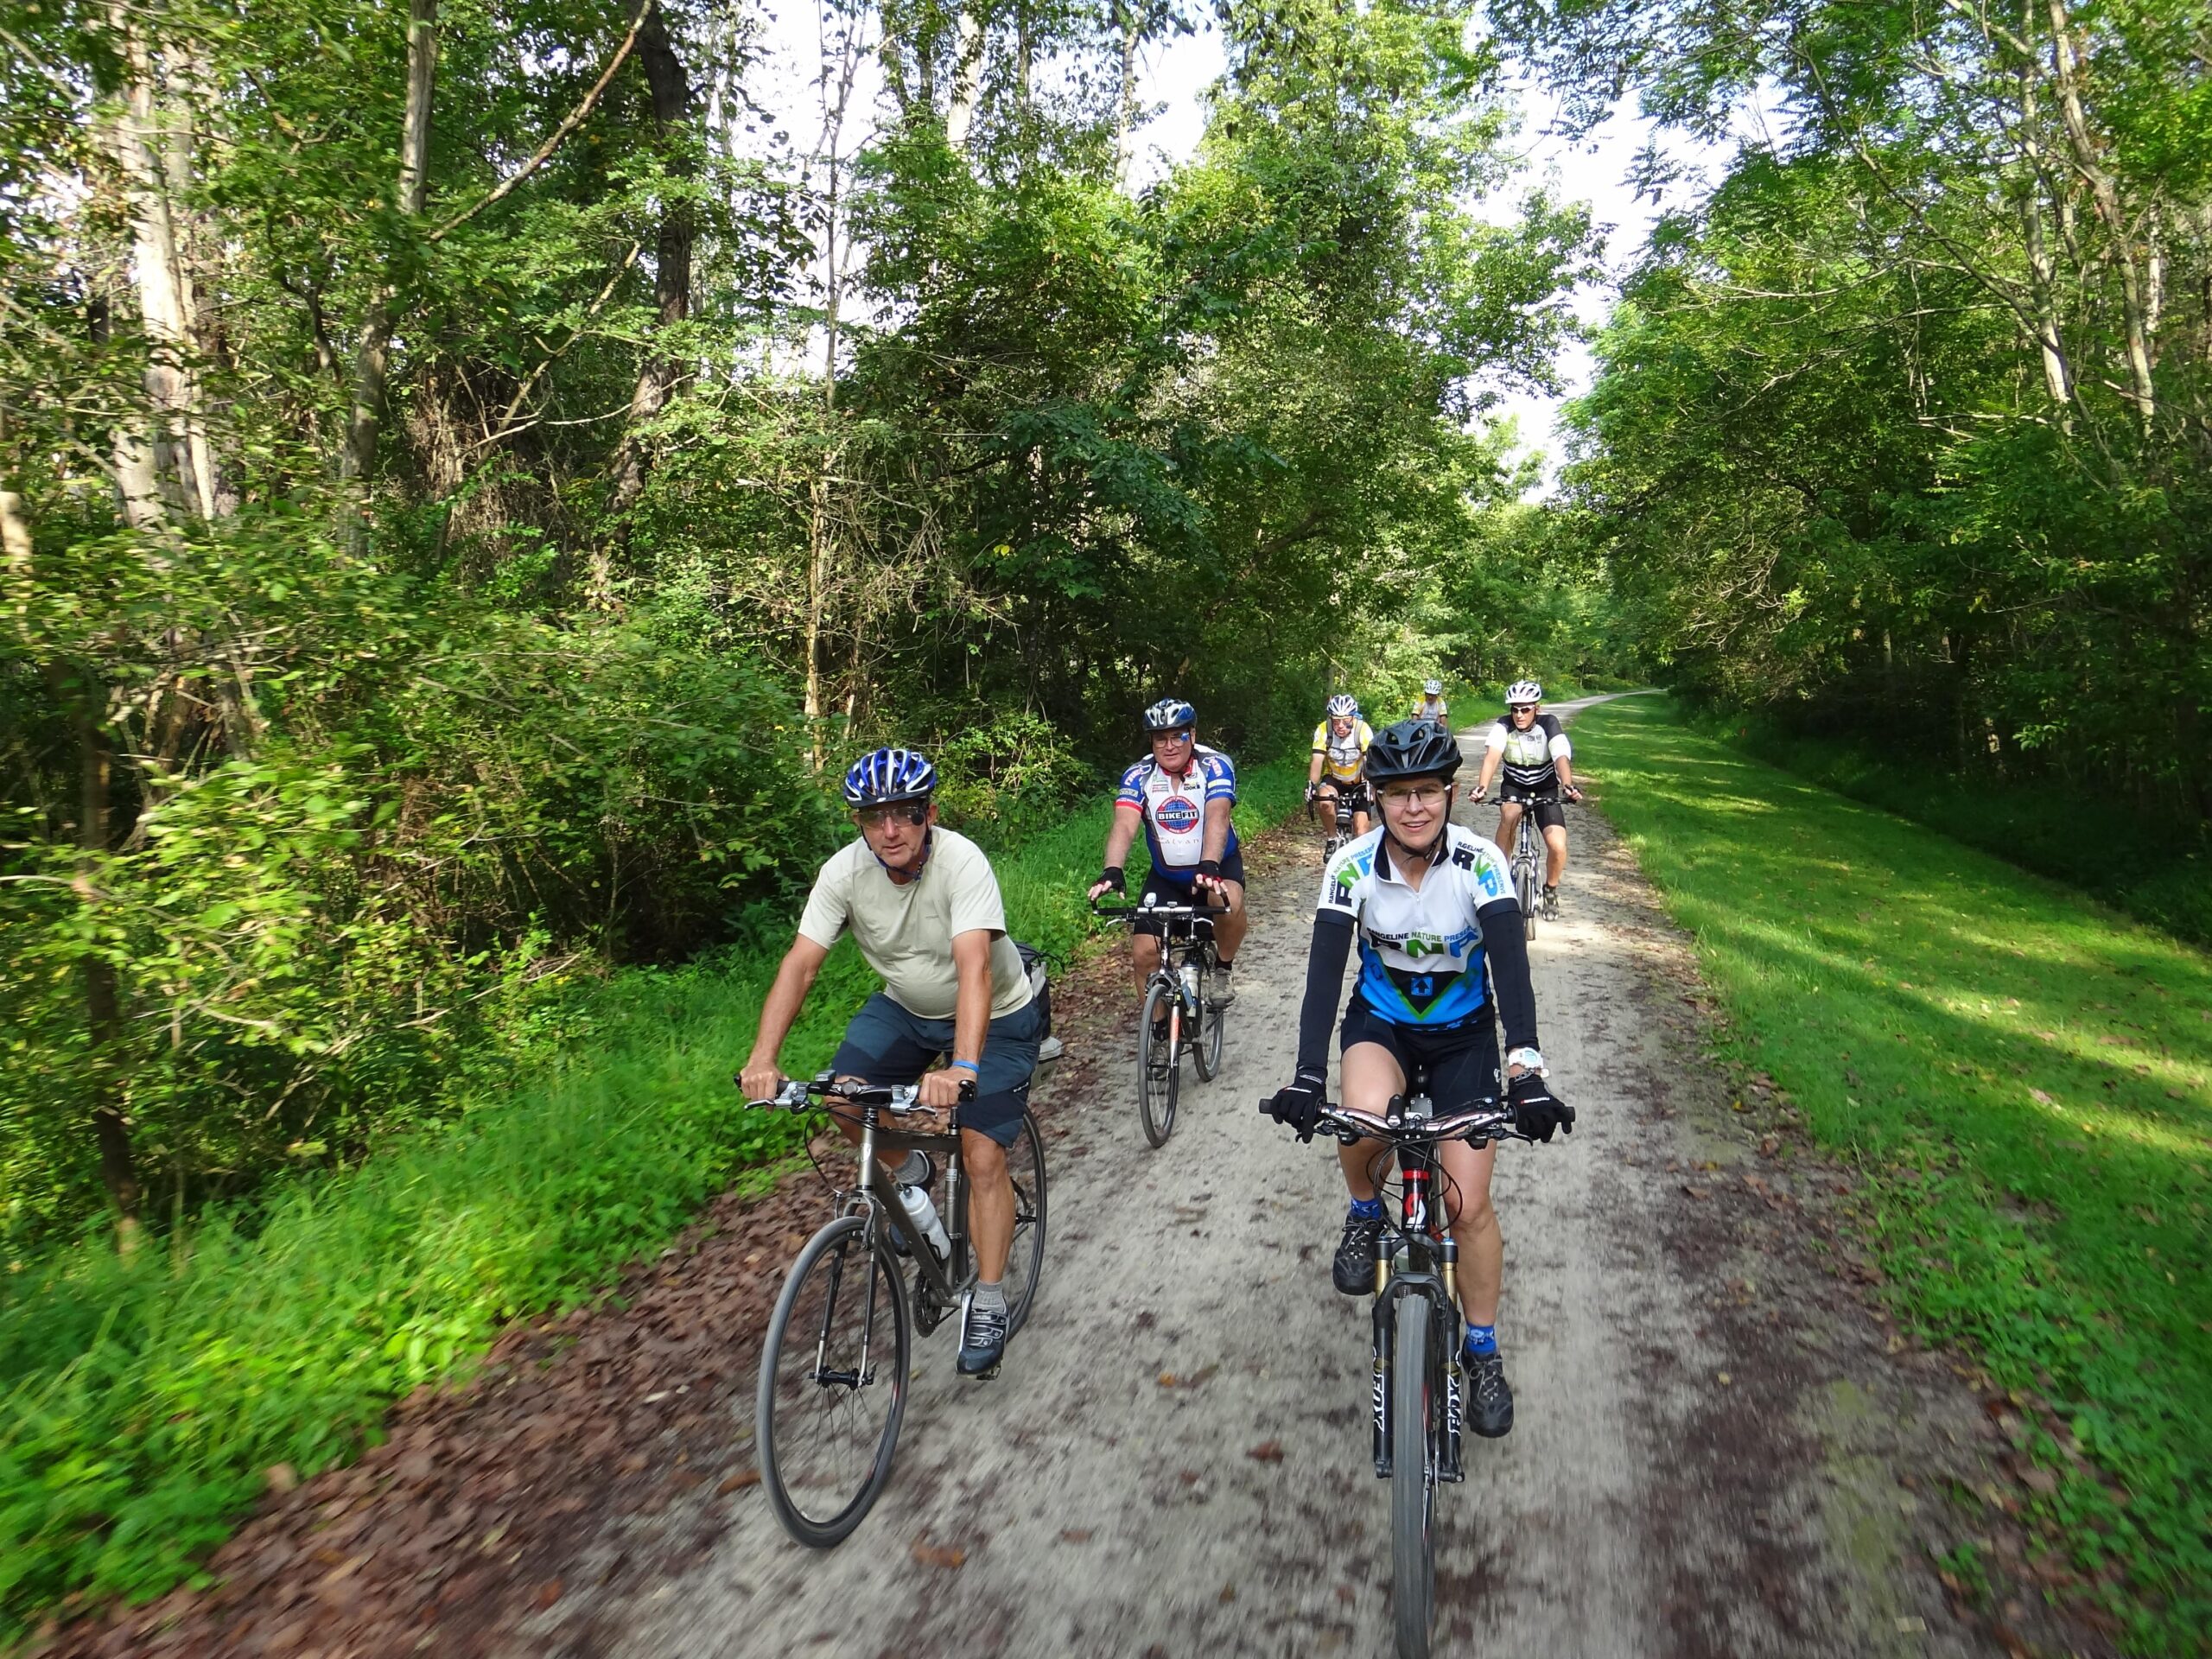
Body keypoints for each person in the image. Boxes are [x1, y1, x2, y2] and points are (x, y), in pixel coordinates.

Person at [1263, 719, 1573, 1438]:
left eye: (1427, 792)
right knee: (1359, 1113)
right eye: (1397, 794)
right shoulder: (1349, 865)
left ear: (1448, 795)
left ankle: (1484, 1350)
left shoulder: (1480, 865)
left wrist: (1524, 1066)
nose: (1413, 808)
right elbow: (1322, 977)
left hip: (1465, 1038)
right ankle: (1366, 1209)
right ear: (1377, 795)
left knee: (1469, 1208)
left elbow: (1511, 971)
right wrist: (1308, 1075)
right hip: (1383, 1027)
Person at [741, 747, 1045, 1379]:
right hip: (905, 1008)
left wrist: (963, 1066)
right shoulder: (844, 873)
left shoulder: (962, 862)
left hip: (998, 1014)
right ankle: (911, 1182)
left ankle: (987, 1298)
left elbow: (974, 970)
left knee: (982, 1150)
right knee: (840, 1097)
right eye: (875, 816)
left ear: (929, 813)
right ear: (859, 822)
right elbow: (800, 964)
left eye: (905, 814)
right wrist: (763, 1058)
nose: (891, 829)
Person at [1087, 697, 1247, 1009]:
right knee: (1144, 954)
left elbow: (1219, 814)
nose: (1169, 745)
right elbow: (1124, 825)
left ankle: (1223, 968)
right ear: (1152, 741)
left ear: (1193, 735)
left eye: (1178, 736)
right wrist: (1112, 870)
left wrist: (1210, 864)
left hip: (1217, 866)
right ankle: (1159, 1038)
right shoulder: (1139, 775)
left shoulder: (1214, 765)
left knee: (1228, 900)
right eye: (1161, 738)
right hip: (1167, 877)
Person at [1471, 680, 1582, 918]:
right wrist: (1482, 787)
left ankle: (1551, 890)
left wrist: (1568, 784)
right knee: (1509, 816)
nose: (1519, 714)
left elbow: (1561, 756)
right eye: (1514, 709)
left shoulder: (1549, 724)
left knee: (1557, 844)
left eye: (1525, 709)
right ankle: (1501, 878)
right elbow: (1492, 757)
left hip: (1545, 789)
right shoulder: (1504, 725)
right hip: (1515, 787)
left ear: (1537, 709)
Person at [1306, 693, 1374, 846]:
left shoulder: (1362, 730)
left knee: (1361, 832)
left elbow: (1369, 760)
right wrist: (1311, 785)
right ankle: (1332, 837)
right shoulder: (1324, 730)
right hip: (1334, 779)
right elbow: (1317, 760)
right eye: (1336, 721)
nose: (1341, 726)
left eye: (1346, 721)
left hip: (1359, 780)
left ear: (1353, 717)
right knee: (1323, 801)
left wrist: (1372, 785)